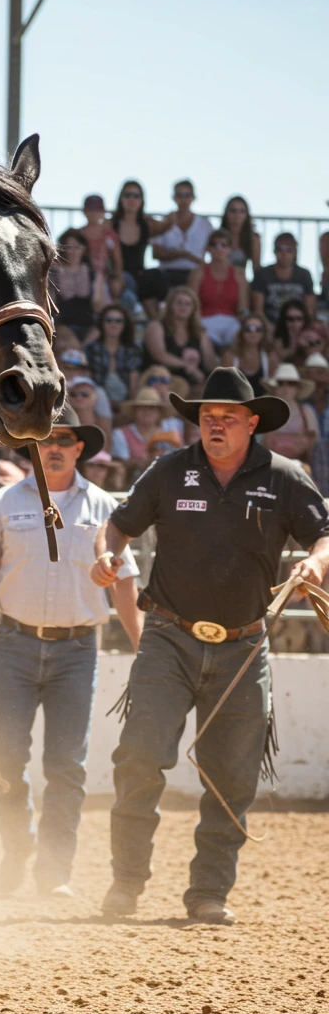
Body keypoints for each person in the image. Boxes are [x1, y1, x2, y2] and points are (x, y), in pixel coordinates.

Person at [91, 367, 329, 924]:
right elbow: (118, 525)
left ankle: (208, 893)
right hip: (168, 638)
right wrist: (106, 556)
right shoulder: (169, 471)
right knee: (139, 757)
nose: (215, 425)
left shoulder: (285, 477)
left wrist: (316, 564)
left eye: (226, 417)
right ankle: (126, 881)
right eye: (206, 417)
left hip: (245, 647)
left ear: (252, 423)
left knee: (233, 776)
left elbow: (326, 532)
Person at [0, 405, 143, 897]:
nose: (54, 447)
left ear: (80, 449)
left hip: (78, 650)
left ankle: (55, 869)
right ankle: (19, 848)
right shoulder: (2, 504)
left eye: (64, 439)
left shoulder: (106, 511)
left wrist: (146, 648)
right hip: (12, 644)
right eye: (46, 439)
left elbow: (124, 585)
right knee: (3, 759)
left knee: (66, 766)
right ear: (31, 447)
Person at [109, 180, 172, 318]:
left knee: (155, 277)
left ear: (142, 200)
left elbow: (170, 223)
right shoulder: (110, 224)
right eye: (127, 195)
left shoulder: (148, 224)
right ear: (121, 198)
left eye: (136, 196)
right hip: (117, 277)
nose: (132, 199)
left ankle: (160, 321)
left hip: (139, 276)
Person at [143, 285, 216, 389]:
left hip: (194, 383)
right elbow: (159, 355)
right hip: (160, 381)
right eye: (179, 302)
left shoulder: (200, 332)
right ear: (170, 305)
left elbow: (210, 363)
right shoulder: (156, 326)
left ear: (193, 308)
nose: (183, 307)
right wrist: (188, 366)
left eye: (188, 304)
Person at [188, 229, 249, 351]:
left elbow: (243, 308)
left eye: (224, 245)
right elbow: (192, 305)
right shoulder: (197, 273)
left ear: (230, 249)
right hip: (205, 320)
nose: (219, 248)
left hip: (232, 321)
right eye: (214, 245)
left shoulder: (239, 274)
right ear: (208, 248)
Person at [151, 180, 212, 291]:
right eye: (180, 195)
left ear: (193, 198)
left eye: (187, 195)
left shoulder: (205, 225)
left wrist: (180, 255)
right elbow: (156, 253)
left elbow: (214, 252)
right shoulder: (164, 222)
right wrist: (183, 255)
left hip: (196, 274)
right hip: (167, 273)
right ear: (174, 197)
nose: (183, 199)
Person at [250, 234, 316, 331]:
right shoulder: (262, 274)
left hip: (297, 324)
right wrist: (268, 327)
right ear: (274, 252)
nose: (284, 254)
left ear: (295, 253)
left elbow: (309, 309)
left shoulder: (304, 275)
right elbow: (258, 310)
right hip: (270, 324)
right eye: (279, 250)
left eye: (289, 250)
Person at [50, 229, 103, 342]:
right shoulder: (54, 272)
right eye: (69, 247)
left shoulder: (93, 274)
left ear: (84, 249)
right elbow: (51, 301)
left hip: (87, 324)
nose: (73, 251)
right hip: (63, 324)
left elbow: (97, 304)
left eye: (77, 247)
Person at [111, 386, 173, 481]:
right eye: (142, 408)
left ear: (159, 413)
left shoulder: (169, 435)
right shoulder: (120, 434)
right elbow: (121, 465)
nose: (147, 412)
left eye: (152, 408)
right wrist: (145, 462)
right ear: (134, 411)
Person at [261, 364, 319, 464]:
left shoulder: (307, 412)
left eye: (291, 384)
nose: (285, 388)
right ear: (275, 388)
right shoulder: (265, 413)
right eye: (280, 383)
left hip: (302, 471)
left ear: (298, 388)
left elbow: (315, 448)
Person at [85, 304, 142, 406]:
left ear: (125, 324)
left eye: (118, 320)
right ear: (102, 323)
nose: (113, 324)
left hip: (125, 404)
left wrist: (128, 406)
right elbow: (87, 378)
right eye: (109, 320)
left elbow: (133, 384)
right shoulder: (92, 349)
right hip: (96, 402)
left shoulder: (132, 350)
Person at [79, 194, 123, 299]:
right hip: (82, 276)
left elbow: (118, 262)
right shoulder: (78, 234)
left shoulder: (109, 235)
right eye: (90, 209)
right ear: (84, 211)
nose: (94, 213)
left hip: (103, 278)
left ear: (103, 213)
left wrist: (116, 279)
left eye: (97, 210)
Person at [221, 315, 270, 396]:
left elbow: (274, 389)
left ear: (263, 333)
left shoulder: (269, 357)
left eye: (258, 329)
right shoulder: (230, 356)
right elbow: (222, 386)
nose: (253, 333)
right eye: (248, 329)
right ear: (241, 332)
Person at [303, 352, 329, 495]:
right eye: (311, 373)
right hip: (308, 454)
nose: (317, 378)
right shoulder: (301, 405)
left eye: (321, 372)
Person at [67, 374, 112, 449]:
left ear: (96, 398)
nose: (79, 398)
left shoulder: (103, 428)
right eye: (73, 394)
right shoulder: (62, 424)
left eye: (85, 394)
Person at [219, 196, 261, 274]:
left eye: (242, 211)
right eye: (233, 211)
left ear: (247, 215)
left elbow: (256, 267)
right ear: (226, 213)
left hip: (240, 282)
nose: (237, 215)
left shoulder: (253, 238)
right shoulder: (218, 236)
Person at [270, 297, 309, 363]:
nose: (295, 323)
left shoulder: (310, 332)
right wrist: (293, 339)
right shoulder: (279, 333)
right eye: (290, 319)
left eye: (299, 318)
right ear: (284, 320)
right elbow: (281, 356)